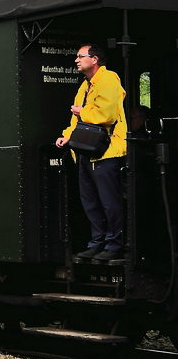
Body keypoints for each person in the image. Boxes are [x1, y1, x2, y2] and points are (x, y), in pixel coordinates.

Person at [55, 43, 127, 260]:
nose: (76, 60)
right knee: (90, 201)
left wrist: (81, 111)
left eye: (80, 56)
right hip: (86, 151)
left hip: (107, 152)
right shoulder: (85, 86)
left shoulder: (109, 80)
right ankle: (98, 242)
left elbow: (105, 115)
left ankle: (115, 245)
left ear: (94, 59)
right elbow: (76, 121)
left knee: (109, 201)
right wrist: (67, 135)